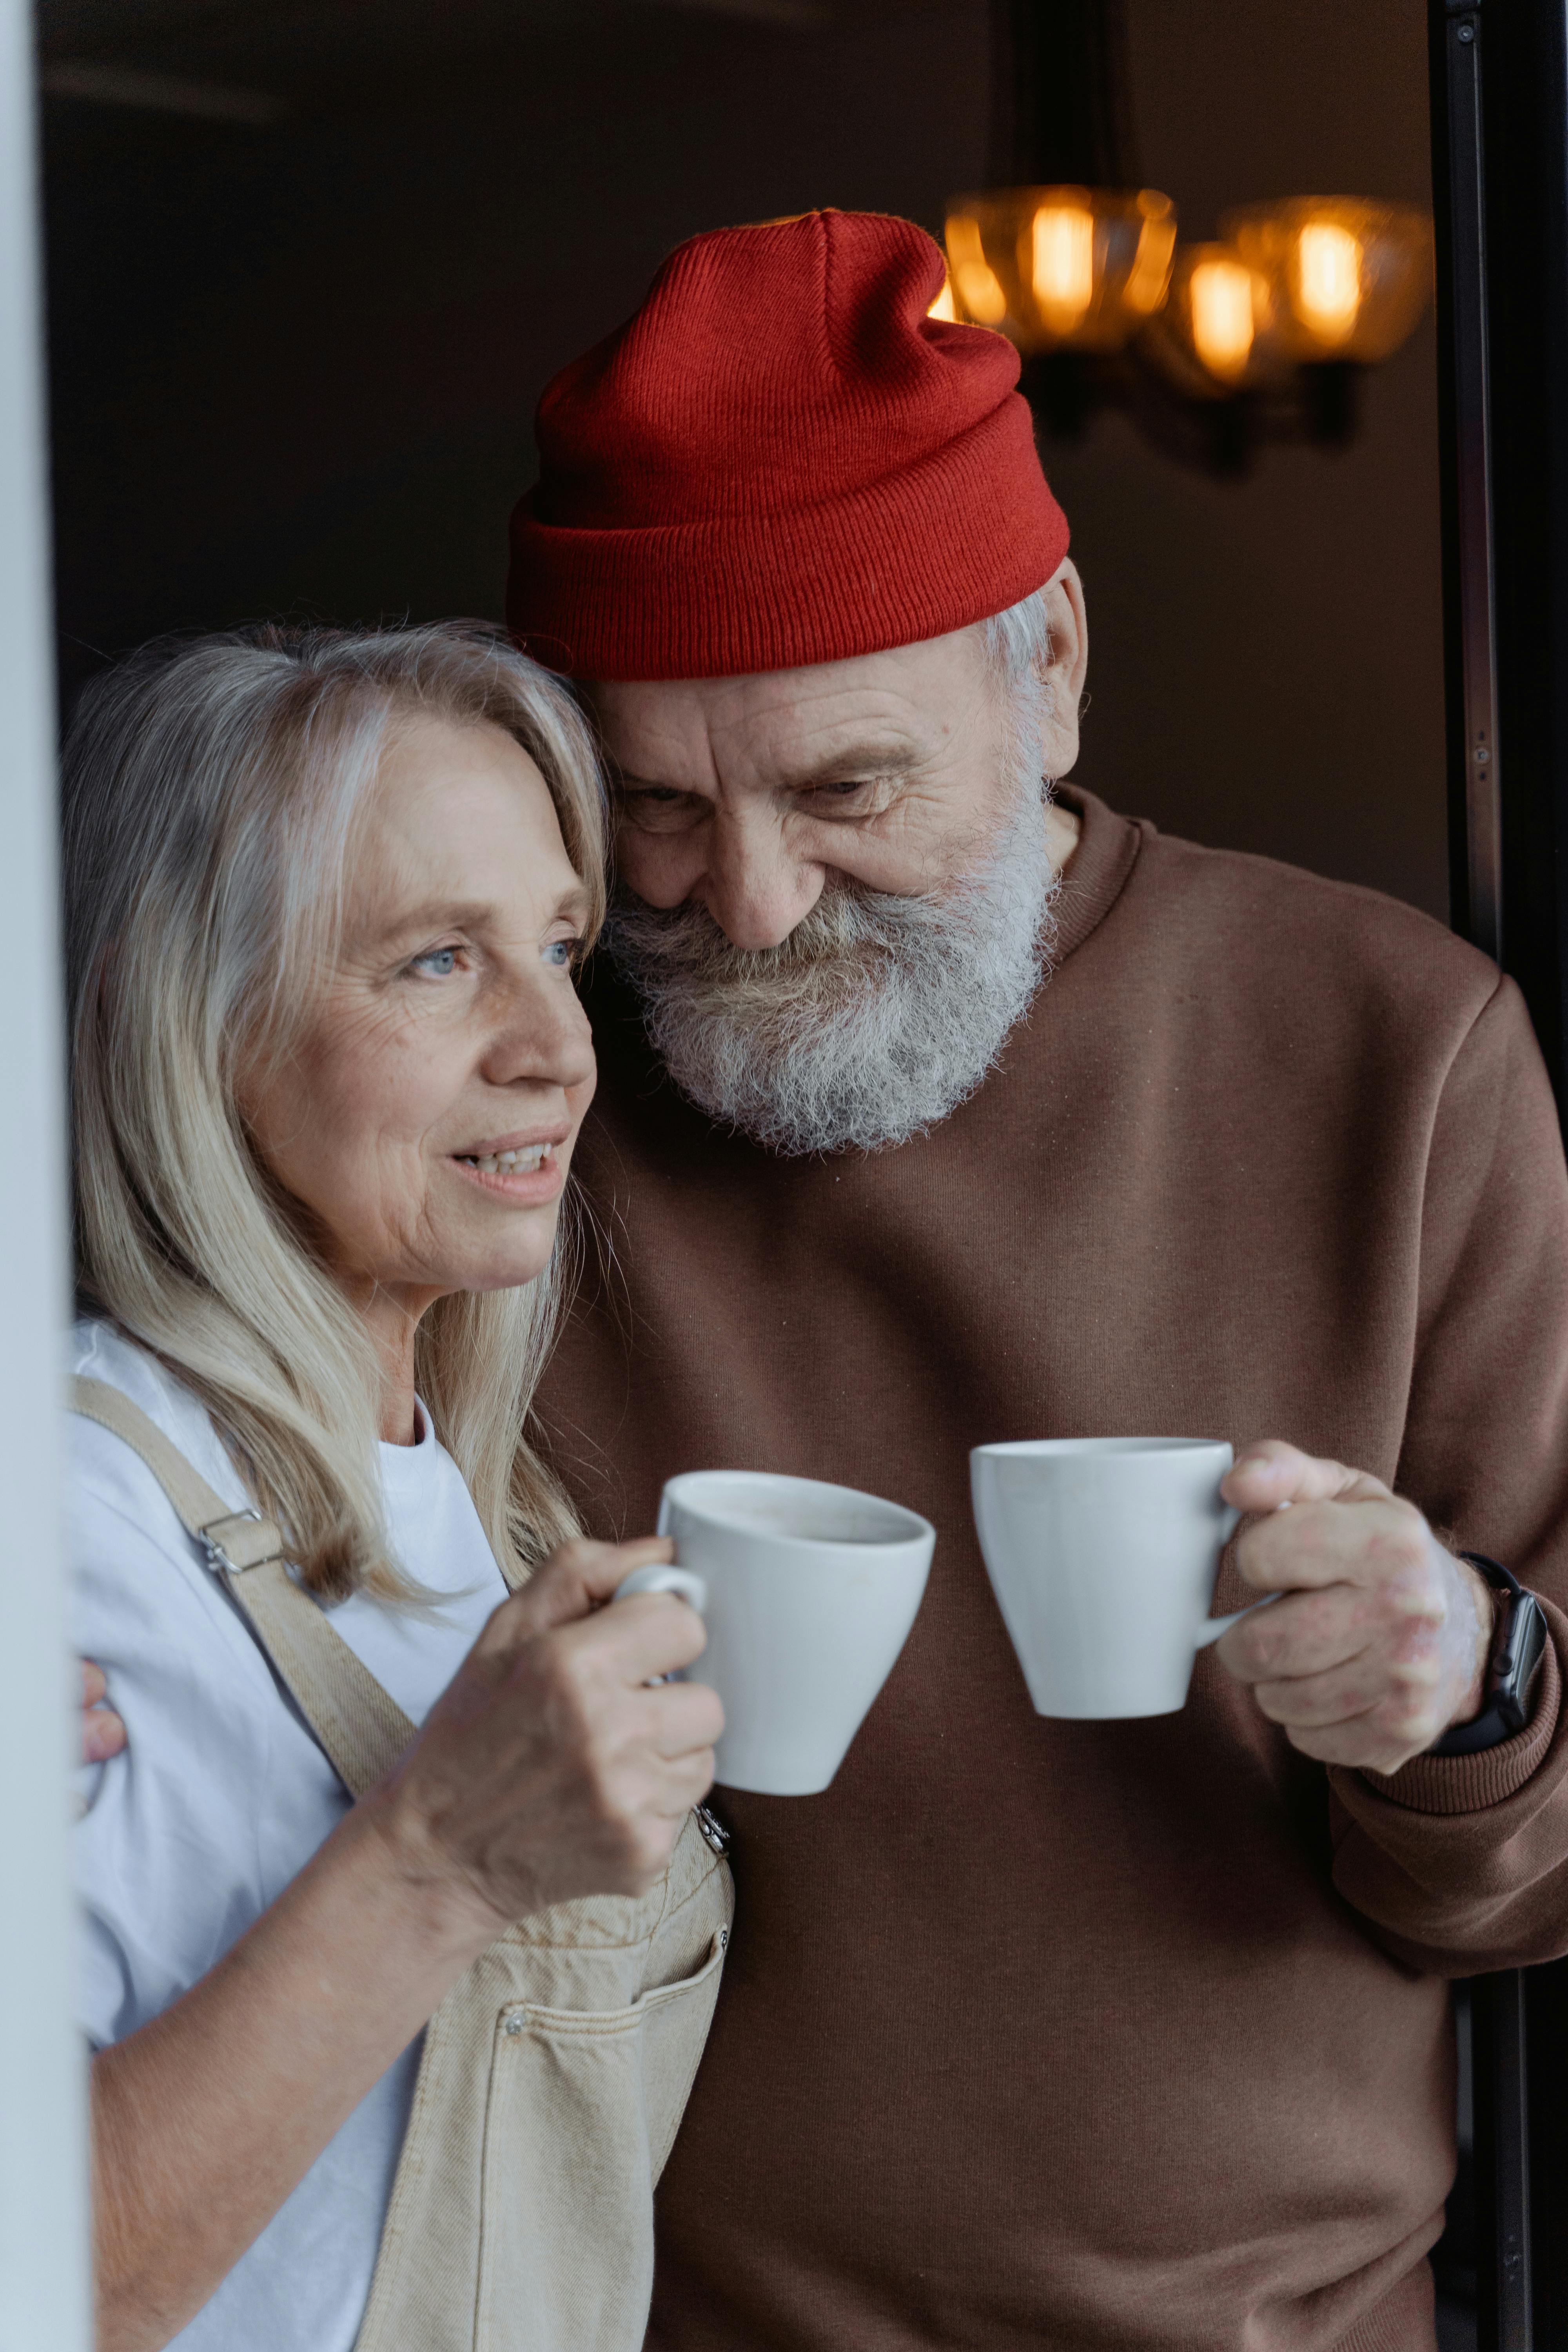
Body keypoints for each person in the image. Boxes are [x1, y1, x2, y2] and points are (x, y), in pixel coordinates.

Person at [497, 211, 1568, 2350]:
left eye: (844, 786)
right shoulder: (521, 1091)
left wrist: (1468, 1689)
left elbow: (1531, 1879)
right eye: (658, 812)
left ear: (1054, 655)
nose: (758, 900)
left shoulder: (1399, 1049)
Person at [65, 622, 728, 2352]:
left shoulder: (510, 1524)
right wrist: (431, 1863)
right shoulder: (64, 1519)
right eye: (437, 961)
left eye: (559, 948)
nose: (557, 1049)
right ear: (185, 1008)